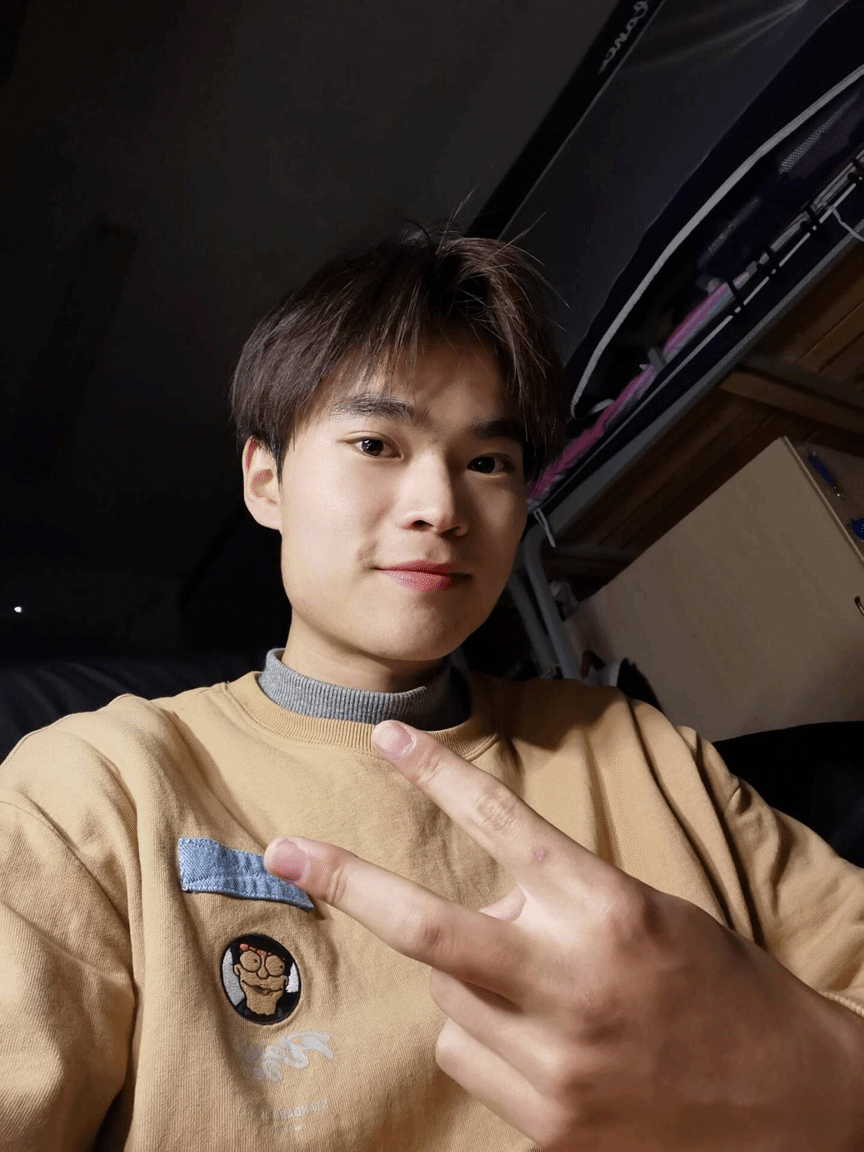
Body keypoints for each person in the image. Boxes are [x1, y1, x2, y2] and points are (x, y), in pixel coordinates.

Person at [1, 220, 862, 1152]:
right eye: (377, 443)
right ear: (266, 481)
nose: (441, 507)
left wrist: (783, 1083)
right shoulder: (95, 788)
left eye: (487, 462)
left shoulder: (643, 748)